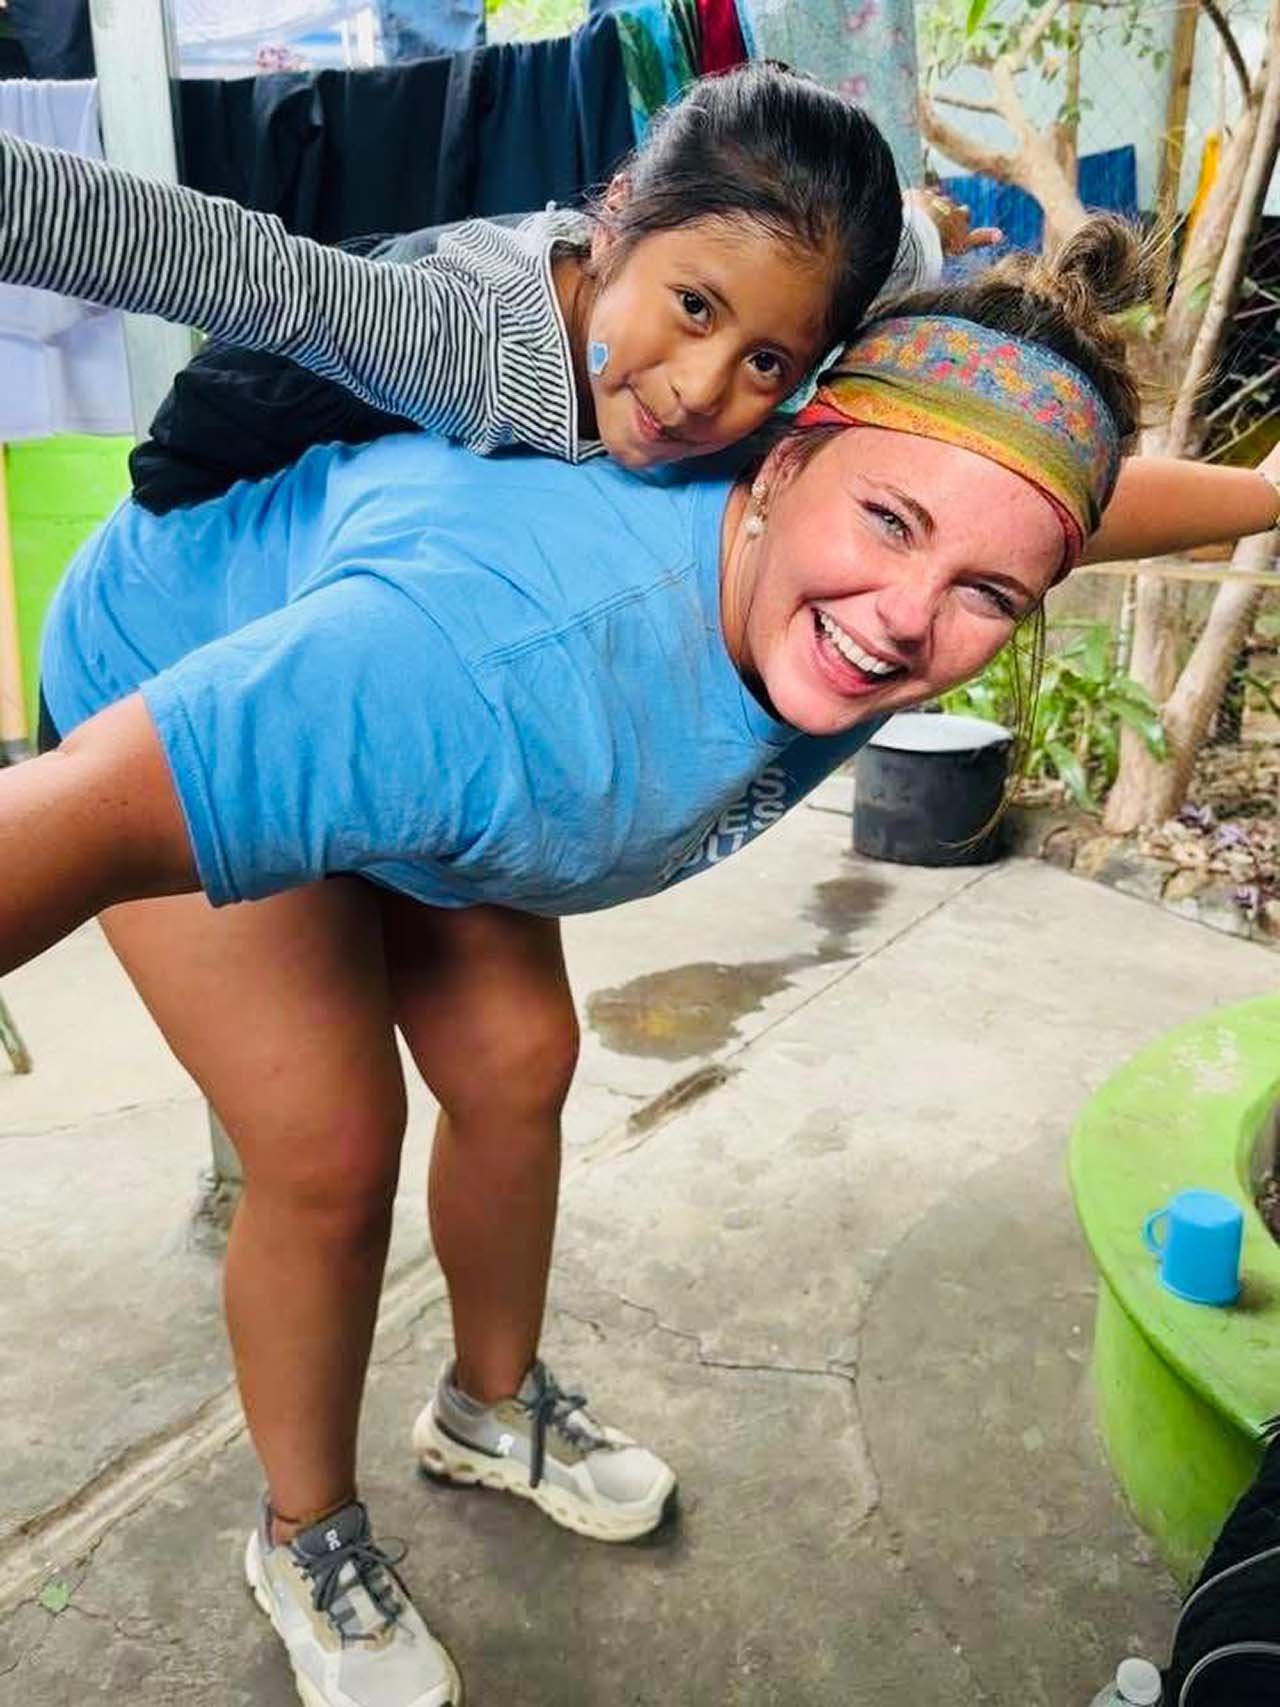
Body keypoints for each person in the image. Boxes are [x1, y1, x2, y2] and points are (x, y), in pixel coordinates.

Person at [9, 214, 1280, 1706]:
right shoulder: (493, 669)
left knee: (517, 1059)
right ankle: (305, 1528)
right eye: (889, 528)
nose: (906, 620)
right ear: (785, 464)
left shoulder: (930, 505)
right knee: (332, 1143)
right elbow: (73, 818)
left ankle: (488, 1408)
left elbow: (1054, 500)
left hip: (403, 690)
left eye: (989, 594)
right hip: (188, 654)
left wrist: (1265, 492)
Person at [0, 62, 953, 503]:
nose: (701, 390)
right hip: (210, 504)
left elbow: (894, 259)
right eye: (694, 308)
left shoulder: (807, 272)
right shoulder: (472, 346)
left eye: (768, 363)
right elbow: (237, 267)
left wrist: (930, 229)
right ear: (614, 218)